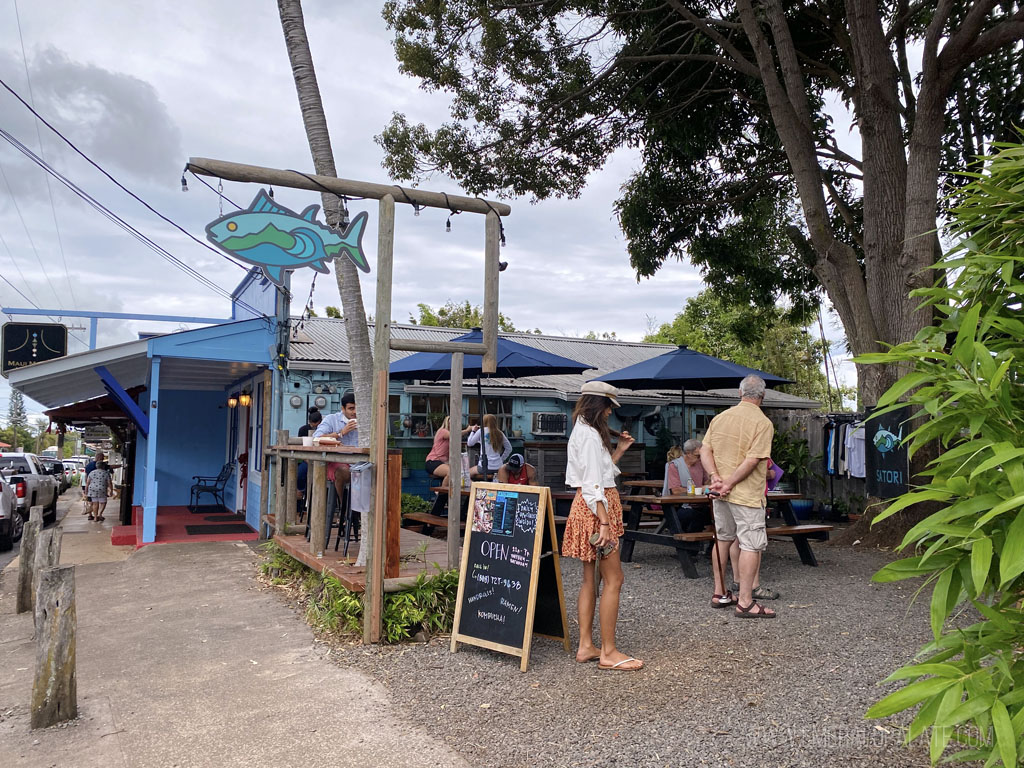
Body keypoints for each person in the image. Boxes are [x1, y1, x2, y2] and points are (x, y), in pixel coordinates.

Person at [562, 381, 643, 672]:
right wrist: (605, 522)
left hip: (590, 506)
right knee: (614, 580)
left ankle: (586, 646)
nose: (610, 412)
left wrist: (619, 450)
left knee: (590, 580)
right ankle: (608, 652)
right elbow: (594, 484)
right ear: (599, 404)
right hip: (598, 509)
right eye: (608, 406)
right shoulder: (589, 435)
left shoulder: (584, 431)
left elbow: (598, 473)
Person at [701, 375, 778, 618]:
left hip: (720, 491)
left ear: (739, 393)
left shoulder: (720, 418)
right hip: (745, 495)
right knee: (751, 544)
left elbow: (705, 449)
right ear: (762, 396)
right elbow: (754, 459)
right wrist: (730, 483)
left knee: (722, 539)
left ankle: (720, 592)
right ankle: (745, 602)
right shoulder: (762, 422)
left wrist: (715, 477)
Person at [314, 393, 358, 497]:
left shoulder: (366, 420)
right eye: (351, 408)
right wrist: (341, 433)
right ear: (343, 409)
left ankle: (367, 511)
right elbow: (317, 438)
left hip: (360, 461)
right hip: (337, 461)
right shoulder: (331, 419)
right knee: (344, 472)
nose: (355, 412)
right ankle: (344, 508)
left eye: (357, 408)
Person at [424, 416, 472, 489]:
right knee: (451, 472)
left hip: (442, 462)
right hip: (433, 461)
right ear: (447, 423)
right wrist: (467, 430)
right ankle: (443, 492)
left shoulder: (449, 436)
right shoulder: (443, 431)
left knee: (460, 472)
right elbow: (454, 435)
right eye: (451, 423)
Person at [467, 413, 512, 480]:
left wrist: (473, 431)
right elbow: (509, 448)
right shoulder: (499, 433)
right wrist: (501, 459)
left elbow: (470, 443)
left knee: (467, 473)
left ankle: (472, 488)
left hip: (484, 466)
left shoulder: (481, 431)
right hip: (498, 466)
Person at [296, 409, 322, 513]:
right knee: (301, 473)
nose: (314, 426)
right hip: (306, 457)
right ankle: (300, 491)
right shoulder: (303, 429)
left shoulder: (325, 429)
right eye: (312, 424)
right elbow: (301, 446)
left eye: (316, 424)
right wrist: (307, 459)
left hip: (321, 458)